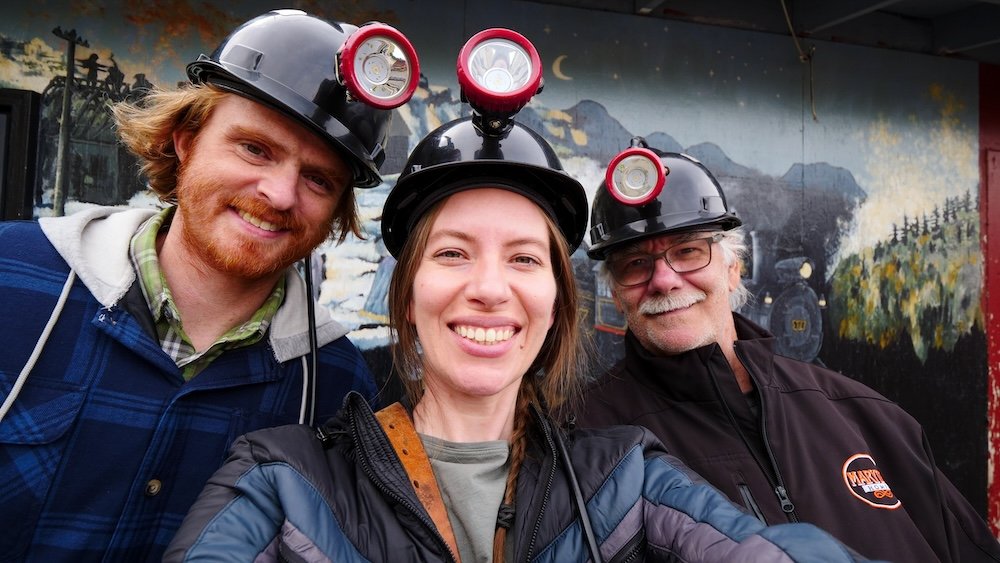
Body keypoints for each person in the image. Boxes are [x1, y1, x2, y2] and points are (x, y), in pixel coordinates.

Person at [164, 75, 873, 562]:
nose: (490, 289)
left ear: (558, 301)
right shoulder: (280, 478)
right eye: (452, 253)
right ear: (405, 292)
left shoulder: (629, 475)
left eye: (526, 260)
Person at [0, 9, 418, 561]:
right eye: (255, 148)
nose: (281, 193)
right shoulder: (14, 276)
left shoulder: (336, 386)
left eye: (318, 179)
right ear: (184, 140)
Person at [576, 137, 1000, 562]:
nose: (665, 280)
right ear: (616, 292)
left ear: (733, 270)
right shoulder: (585, 445)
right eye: (636, 264)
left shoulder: (872, 419)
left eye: (688, 252)